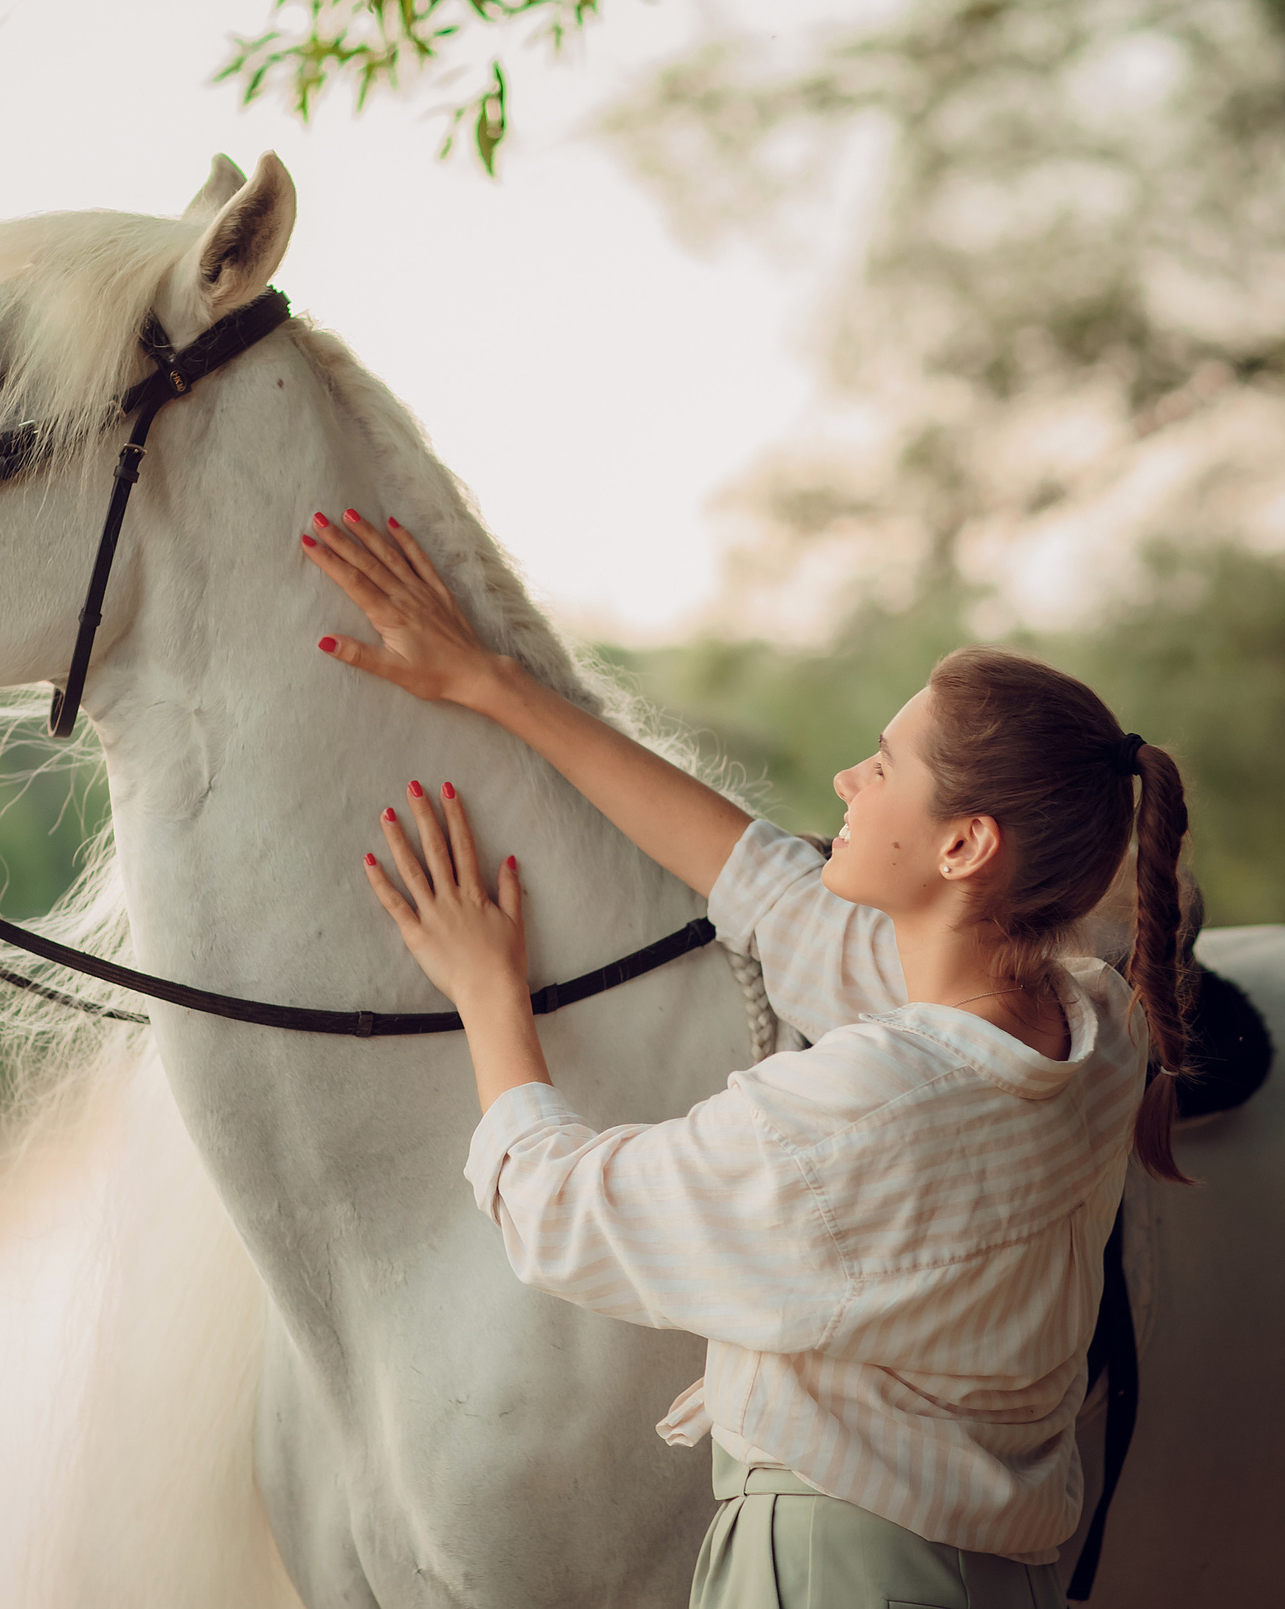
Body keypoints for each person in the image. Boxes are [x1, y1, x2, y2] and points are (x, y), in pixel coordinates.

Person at [296, 507, 1194, 1609]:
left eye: (882, 766)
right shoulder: (1086, 1032)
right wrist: (495, 686)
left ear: (963, 846)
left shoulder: (867, 1103)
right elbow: (762, 885)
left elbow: (562, 1211)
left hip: (828, 1575)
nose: (846, 786)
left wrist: (489, 992)